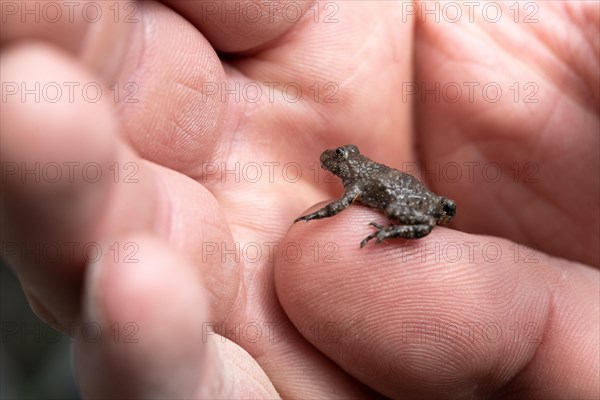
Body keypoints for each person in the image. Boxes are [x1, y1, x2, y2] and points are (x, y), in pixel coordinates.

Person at [2, 1, 598, 398]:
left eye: (340, 162)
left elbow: (342, 208)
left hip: (414, 207)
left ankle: (394, 231)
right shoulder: (361, 178)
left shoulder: (360, 185)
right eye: (340, 161)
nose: (336, 166)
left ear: (350, 166)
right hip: (414, 195)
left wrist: (342, 218)